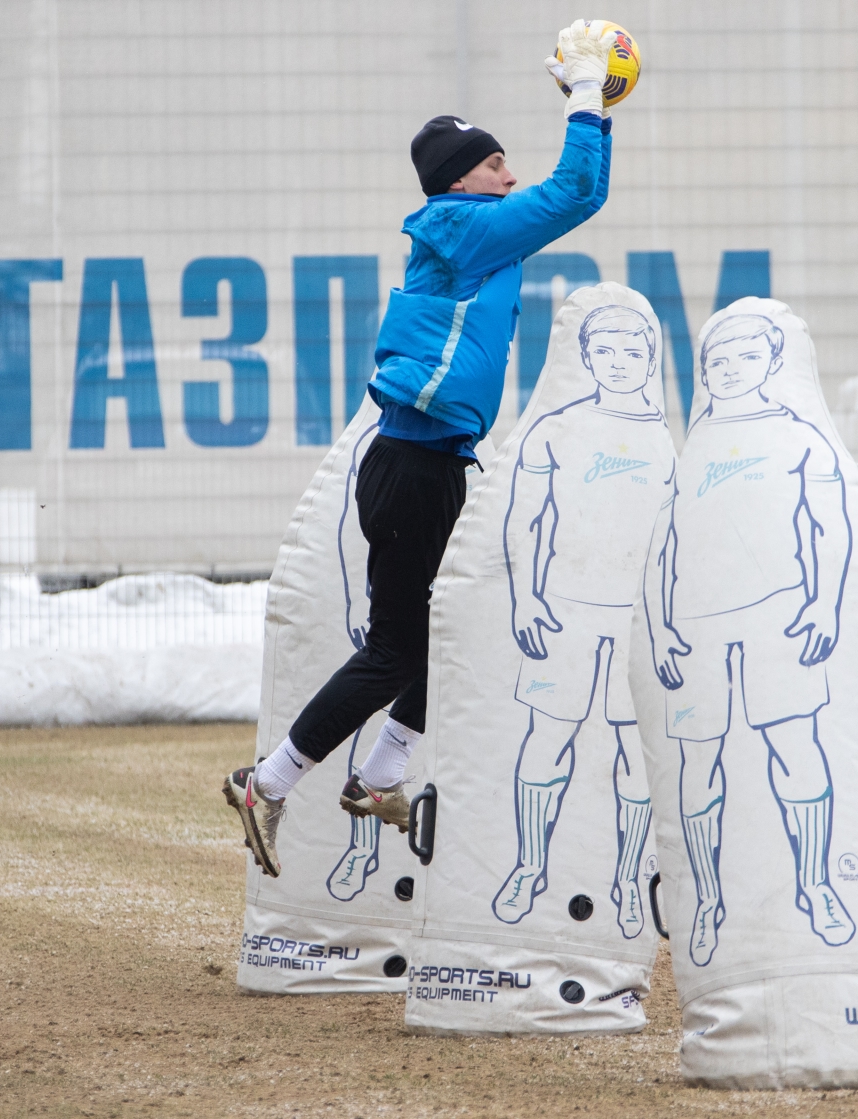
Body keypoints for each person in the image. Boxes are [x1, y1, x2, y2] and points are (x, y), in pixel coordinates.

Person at [225, 20, 621, 877]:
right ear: (458, 181)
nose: (508, 176)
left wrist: (598, 103)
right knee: (400, 649)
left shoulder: (472, 232)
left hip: (423, 465)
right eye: (493, 165)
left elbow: (567, 193)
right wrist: (589, 94)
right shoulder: (462, 225)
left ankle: (378, 774)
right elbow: (577, 193)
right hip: (415, 468)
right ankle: (272, 781)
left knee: (451, 628)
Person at [642, 312, 856, 966]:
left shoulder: (800, 439)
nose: (731, 368)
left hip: (779, 620)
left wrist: (823, 603)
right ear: (705, 372)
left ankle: (816, 886)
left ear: (771, 362)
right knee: (698, 760)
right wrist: (660, 629)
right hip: (699, 629)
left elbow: (831, 527)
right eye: (719, 361)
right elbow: (661, 552)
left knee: (795, 746)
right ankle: (706, 900)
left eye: (744, 356)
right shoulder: (690, 449)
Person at [492, 305, 672, 937]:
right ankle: (527, 866)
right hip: (564, 612)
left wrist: (666, 621)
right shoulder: (555, 429)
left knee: (633, 749)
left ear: (649, 361)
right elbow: (525, 518)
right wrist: (526, 596)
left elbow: (672, 542)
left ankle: (628, 880)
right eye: (606, 352)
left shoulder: (663, 439)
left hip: (632, 620)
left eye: (632, 353)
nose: (619, 364)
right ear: (587, 358)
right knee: (547, 737)